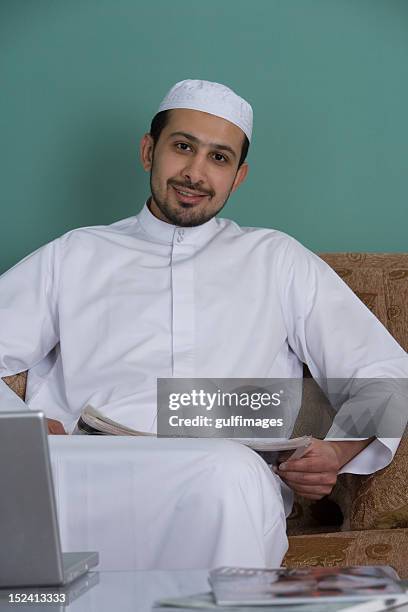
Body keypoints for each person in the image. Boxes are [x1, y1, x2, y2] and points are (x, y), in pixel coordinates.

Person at [1, 79, 407, 569]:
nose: (195, 173)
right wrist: (21, 425)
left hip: (221, 474)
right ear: (149, 150)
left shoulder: (277, 259)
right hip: (85, 469)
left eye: (219, 158)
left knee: (225, 474)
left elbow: (388, 375)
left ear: (238, 176)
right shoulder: (75, 254)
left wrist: (337, 453)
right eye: (183, 147)